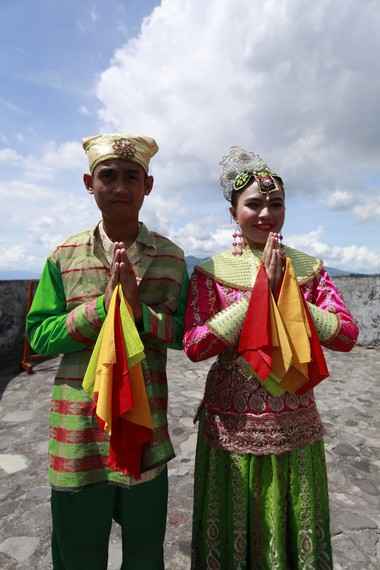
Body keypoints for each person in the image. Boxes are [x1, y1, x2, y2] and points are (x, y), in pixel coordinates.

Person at [183, 146, 359, 569]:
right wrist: (259, 295)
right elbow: (194, 344)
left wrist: (291, 293)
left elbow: (347, 335)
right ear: (233, 213)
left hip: (294, 420)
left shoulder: (308, 268)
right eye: (254, 205)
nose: (266, 213)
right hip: (232, 422)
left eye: (275, 204)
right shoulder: (212, 271)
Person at [26, 133, 189, 570]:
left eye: (131, 177)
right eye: (108, 176)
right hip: (78, 433)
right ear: (88, 182)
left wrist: (139, 314)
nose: (119, 187)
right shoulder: (64, 257)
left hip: (144, 429)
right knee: (77, 553)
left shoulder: (172, 261)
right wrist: (101, 309)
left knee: (143, 553)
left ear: (147, 186)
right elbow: (39, 337)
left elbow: (184, 336)